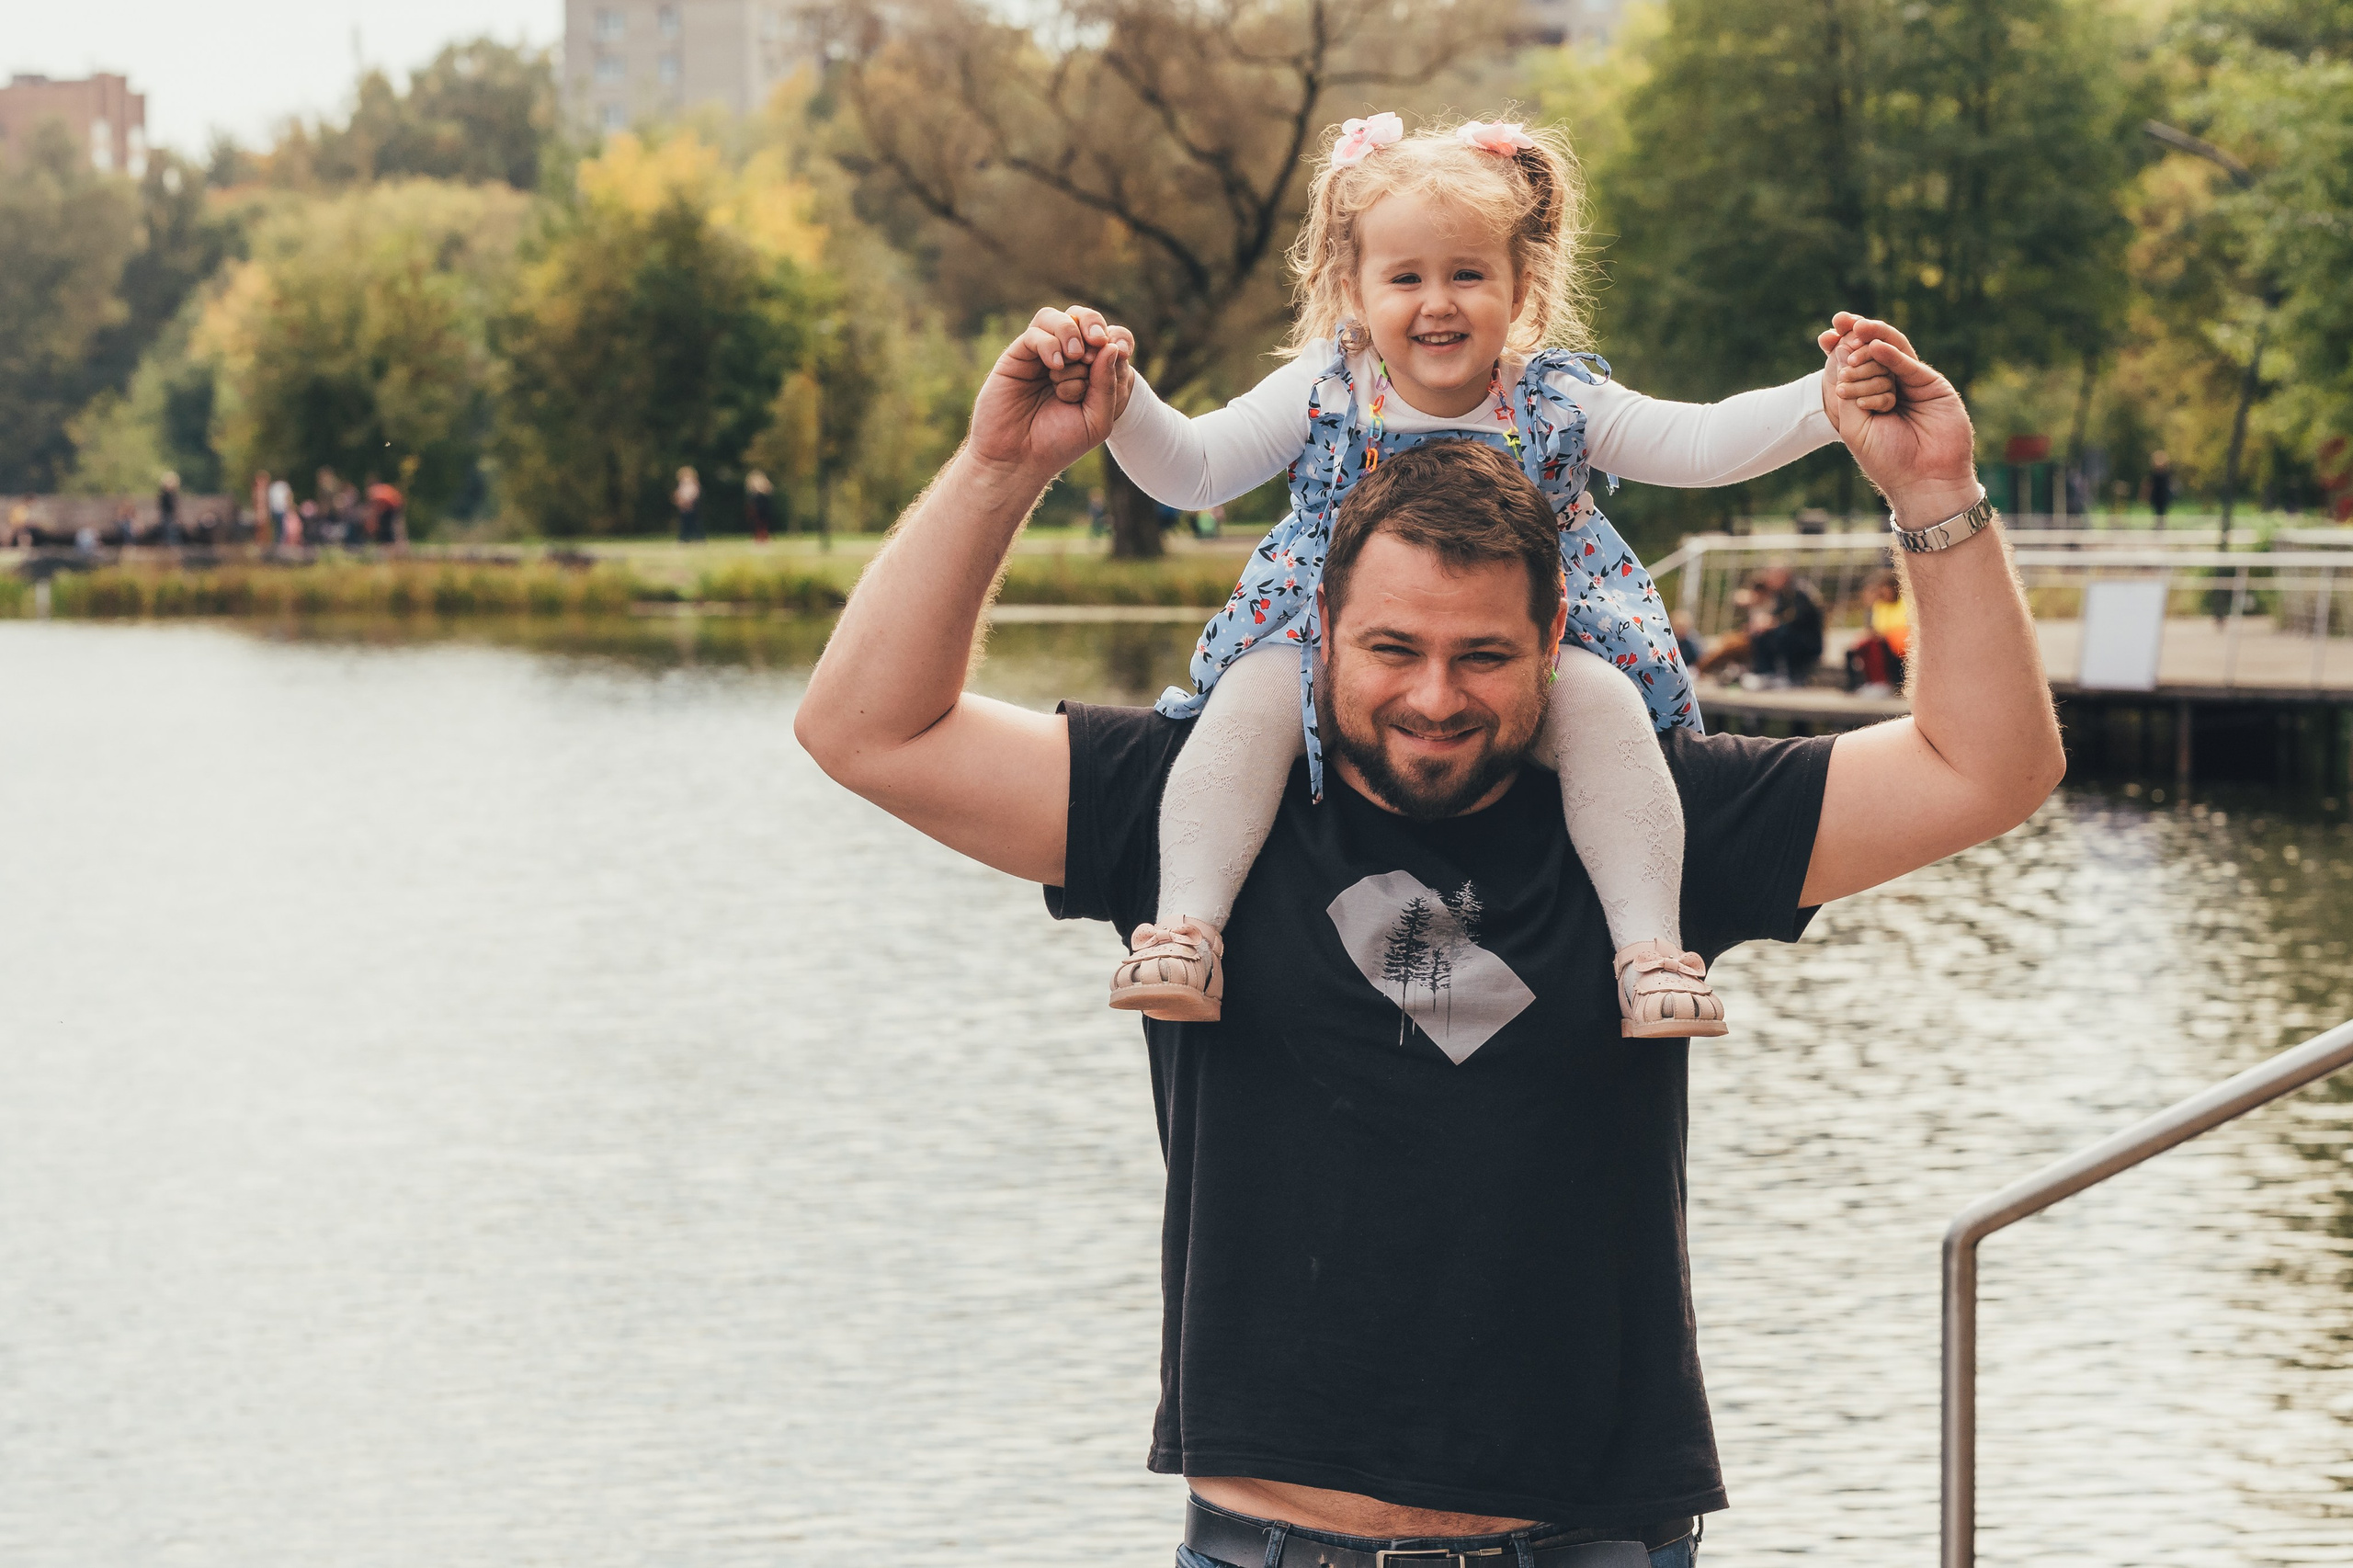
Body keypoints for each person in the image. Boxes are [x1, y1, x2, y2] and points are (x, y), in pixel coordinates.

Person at [794, 305, 2063, 1567]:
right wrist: (1003, 466)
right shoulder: (1196, 803)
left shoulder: (1653, 810)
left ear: (1557, 641)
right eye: (1393, 647)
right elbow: (867, 728)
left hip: (1591, 1543)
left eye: (1486, 656)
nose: (1437, 697)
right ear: (1317, 627)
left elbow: (1985, 768)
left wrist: (1934, 498)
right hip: (1272, 1547)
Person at [1095, 114, 1862, 1038]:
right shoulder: (1326, 388)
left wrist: (1821, 404)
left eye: (1467, 274)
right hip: (1324, 637)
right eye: (1405, 277)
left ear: (1519, 286)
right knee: (1245, 710)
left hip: (1536, 644)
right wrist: (1120, 397)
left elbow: (1695, 440)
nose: (1438, 303)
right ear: (1353, 287)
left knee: (1605, 712)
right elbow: (1192, 470)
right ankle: (1185, 930)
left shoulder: (1551, 398)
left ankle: (1651, 952)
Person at [1741, 563, 1823, 687]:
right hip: (1791, 634)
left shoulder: (1800, 591)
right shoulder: (1781, 593)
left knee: (1780, 633)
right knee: (1761, 633)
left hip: (1807, 640)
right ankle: (1766, 672)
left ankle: (1789, 675)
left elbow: (1796, 617)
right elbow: (1776, 614)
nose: (1768, 580)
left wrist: (1773, 622)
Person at [1844, 571, 1911, 695]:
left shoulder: (1905, 604)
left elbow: (1902, 626)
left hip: (1901, 644)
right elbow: (1876, 627)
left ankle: (1881, 683)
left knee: (1875, 646)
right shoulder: (1879, 605)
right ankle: (1861, 683)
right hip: (1885, 641)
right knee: (1856, 648)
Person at [746, 469, 777, 543]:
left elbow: (770, 492)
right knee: (757, 523)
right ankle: (758, 538)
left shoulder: (765, 488)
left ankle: (765, 538)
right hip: (757, 508)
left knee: (764, 523)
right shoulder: (753, 491)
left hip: (764, 508)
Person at [675, 465, 703, 542]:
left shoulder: (693, 484)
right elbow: (679, 495)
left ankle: (699, 538)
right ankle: (684, 538)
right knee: (684, 523)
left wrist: (689, 502)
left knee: (694, 523)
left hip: (692, 505)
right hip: (684, 507)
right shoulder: (682, 485)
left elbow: (695, 494)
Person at [2148, 449, 2173, 527]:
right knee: (2157, 511)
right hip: (2156, 496)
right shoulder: (2154, 474)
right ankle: (2157, 525)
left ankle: (2162, 525)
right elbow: (2150, 485)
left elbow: (2169, 484)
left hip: (2164, 496)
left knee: (2163, 512)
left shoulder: (2166, 474)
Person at [157, 471, 181, 547]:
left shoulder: (174, 495)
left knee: (173, 526)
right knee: (169, 526)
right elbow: (164, 508)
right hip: (166, 517)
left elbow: (175, 509)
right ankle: (170, 545)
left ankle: (173, 545)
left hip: (171, 517)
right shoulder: (164, 495)